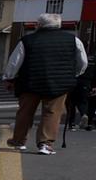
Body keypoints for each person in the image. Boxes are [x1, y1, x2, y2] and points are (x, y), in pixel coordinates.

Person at [5, 13, 90, 153]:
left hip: (29, 82)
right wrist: (73, 75)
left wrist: (9, 78)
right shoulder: (73, 40)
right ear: (59, 25)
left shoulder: (27, 40)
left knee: (25, 113)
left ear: (39, 25)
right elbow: (83, 62)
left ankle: (19, 141)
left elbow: (14, 63)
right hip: (59, 84)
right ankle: (45, 144)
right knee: (52, 113)